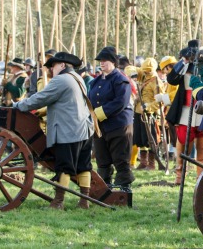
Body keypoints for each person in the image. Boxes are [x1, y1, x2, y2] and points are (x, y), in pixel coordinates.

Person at [13, 52, 95, 209]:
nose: (51, 69)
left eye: (53, 65)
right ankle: (84, 202)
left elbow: (40, 98)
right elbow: (65, 104)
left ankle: (58, 202)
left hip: (68, 131)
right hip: (84, 129)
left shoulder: (61, 80)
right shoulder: (77, 78)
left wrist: (18, 106)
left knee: (63, 166)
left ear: (63, 65)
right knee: (84, 166)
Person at [88, 46, 135, 190]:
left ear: (113, 62)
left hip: (118, 125)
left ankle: (124, 188)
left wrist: (98, 114)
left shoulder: (121, 79)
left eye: (106, 60)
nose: (102, 63)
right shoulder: (95, 81)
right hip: (100, 127)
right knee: (102, 159)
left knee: (120, 158)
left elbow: (120, 102)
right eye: (100, 61)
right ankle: (104, 187)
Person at [166, 40, 203, 185]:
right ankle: (179, 177)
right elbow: (171, 79)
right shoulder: (183, 67)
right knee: (183, 149)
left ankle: (201, 180)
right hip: (186, 111)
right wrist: (184, 61)